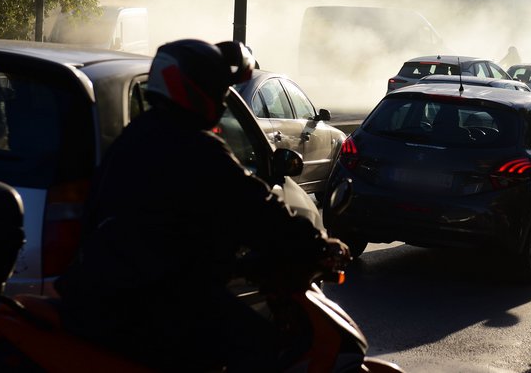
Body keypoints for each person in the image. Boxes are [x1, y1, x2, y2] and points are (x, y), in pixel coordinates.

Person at [55, 39, 345, 372]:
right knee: (262, 349)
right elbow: (255, 207)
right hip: (152, 302)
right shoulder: (195, 148)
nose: (222, 100)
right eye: (218, 88)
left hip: (110, 295)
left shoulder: (137, 137)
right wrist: (317, 244)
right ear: (195, 88)